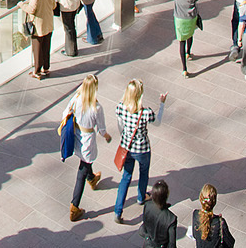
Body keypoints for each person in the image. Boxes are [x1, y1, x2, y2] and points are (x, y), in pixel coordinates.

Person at [112, 80, 165, 222]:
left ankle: (118, 210)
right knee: (143, 173)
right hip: (142, 149)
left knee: (126, 177)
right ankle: (141, 197)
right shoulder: (145, 112)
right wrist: (162, 104)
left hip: (127, 148)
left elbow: (120, 128)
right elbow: (158, 122)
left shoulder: (121, 108)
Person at [62, 72, 112, 221]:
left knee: (85, 162)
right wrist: (107, 136)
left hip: (77, 136)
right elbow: (101, 129)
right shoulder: (96, 107)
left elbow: (66, 112)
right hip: (88, 139)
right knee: (82, 170)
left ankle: (92, 178)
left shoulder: (76, 99)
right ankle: (74, 206)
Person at [25, 0, 55, 78]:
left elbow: (32, 9)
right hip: (48, 23)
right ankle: (46, 68)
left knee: (37, 49)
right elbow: (53, 5)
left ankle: (37, 71)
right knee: (46, 47)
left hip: (38, 26)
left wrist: (22, 6)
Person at [141, 181, 177, 248]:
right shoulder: (171, 218)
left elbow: (145, 224)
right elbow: (172, 244)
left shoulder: (147, 205)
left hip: (148, 244)